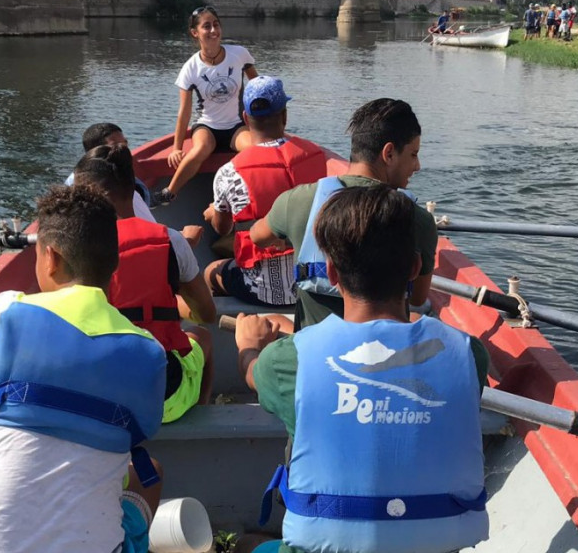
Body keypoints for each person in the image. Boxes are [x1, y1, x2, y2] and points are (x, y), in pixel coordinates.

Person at [235, 185, 491, 553]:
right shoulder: (471, 355)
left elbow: (252, 375)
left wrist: (247, 346)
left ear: (332, 273)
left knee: (247, 546)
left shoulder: (287, 360)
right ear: (416, 267)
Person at [0, 185, 167, 553]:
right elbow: (140, 432)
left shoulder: (3, 310)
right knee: (150, 473)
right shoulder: (151, 352)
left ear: (49, 258)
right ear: (113, 267)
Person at [249, 98, 437, 331]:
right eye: (413, 154)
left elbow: (257, 236)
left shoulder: (298, 201)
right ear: (388, 153)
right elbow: (418, 298)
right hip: (385, 357)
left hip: (312, 358)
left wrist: (294, 233)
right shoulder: (418, 220)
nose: (417, 166)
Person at [74, 144, 217, 422]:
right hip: (162, 397)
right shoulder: (172, 240)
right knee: (204, 337)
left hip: (98, 397)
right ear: (133, 189)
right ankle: (199, 419)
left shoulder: (75, 248)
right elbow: (207, 314)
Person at [203, 76, 326, 307]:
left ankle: (236, 323)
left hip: (260, 290)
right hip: (313, 286)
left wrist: (213, 213)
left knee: (211, 271)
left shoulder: (228, 172)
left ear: (245, 119)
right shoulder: (316, 156)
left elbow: (223, 228)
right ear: (285, 116)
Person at [152, 6, 258, 206]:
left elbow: (258, 87)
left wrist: (262, 124)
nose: (213, 31)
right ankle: (169, 193)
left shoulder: (239, 55)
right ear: (195, 33)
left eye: (216, 25)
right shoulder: (190, 68)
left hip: (236, 125)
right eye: (206, 26)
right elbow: (184, 112)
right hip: (206, 126)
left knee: (254, 150)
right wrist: (176, 148)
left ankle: (253, 195)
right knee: (201, 148)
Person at [67, 123, 203, 246]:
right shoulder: (121, 190)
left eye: (125, 145)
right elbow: (151, 237)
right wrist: (186, 241)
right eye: (116, 147)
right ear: (95, 152)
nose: (125, 151)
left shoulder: (73, 182)